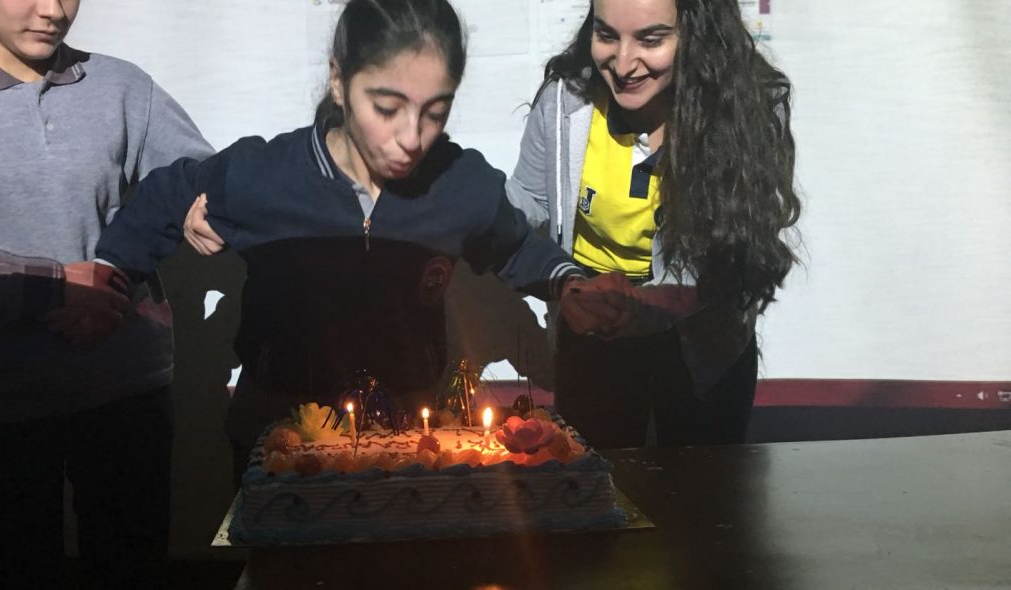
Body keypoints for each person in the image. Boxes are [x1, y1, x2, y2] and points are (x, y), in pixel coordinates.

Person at [95, 0, 627, 479]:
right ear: (338, 80)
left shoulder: (459, 183)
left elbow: (514, 243)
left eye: (435, 112)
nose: (411, 138)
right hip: (277, 439)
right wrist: (107, 282)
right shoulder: (267, 175)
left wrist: (569, 285)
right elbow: (164, 196)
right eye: (387, 108)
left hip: (409, 445)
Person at [0, 0, 213, 587]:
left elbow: (199, 181)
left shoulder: (121, 85)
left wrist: (170, 227)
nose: (53, 10)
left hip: (126, 391)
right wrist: (48, 287)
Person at [505, 0, 802, 448]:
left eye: (650, 39)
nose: (623, 64)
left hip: (702, 350)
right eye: (607, 35)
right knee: (595, 483)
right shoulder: (565, 98)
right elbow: (527, 204)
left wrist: (644, 307)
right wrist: (562, 281)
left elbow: (738, 256)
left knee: (702, 489)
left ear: (697, 34)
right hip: (591, 338)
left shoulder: (748, 107)